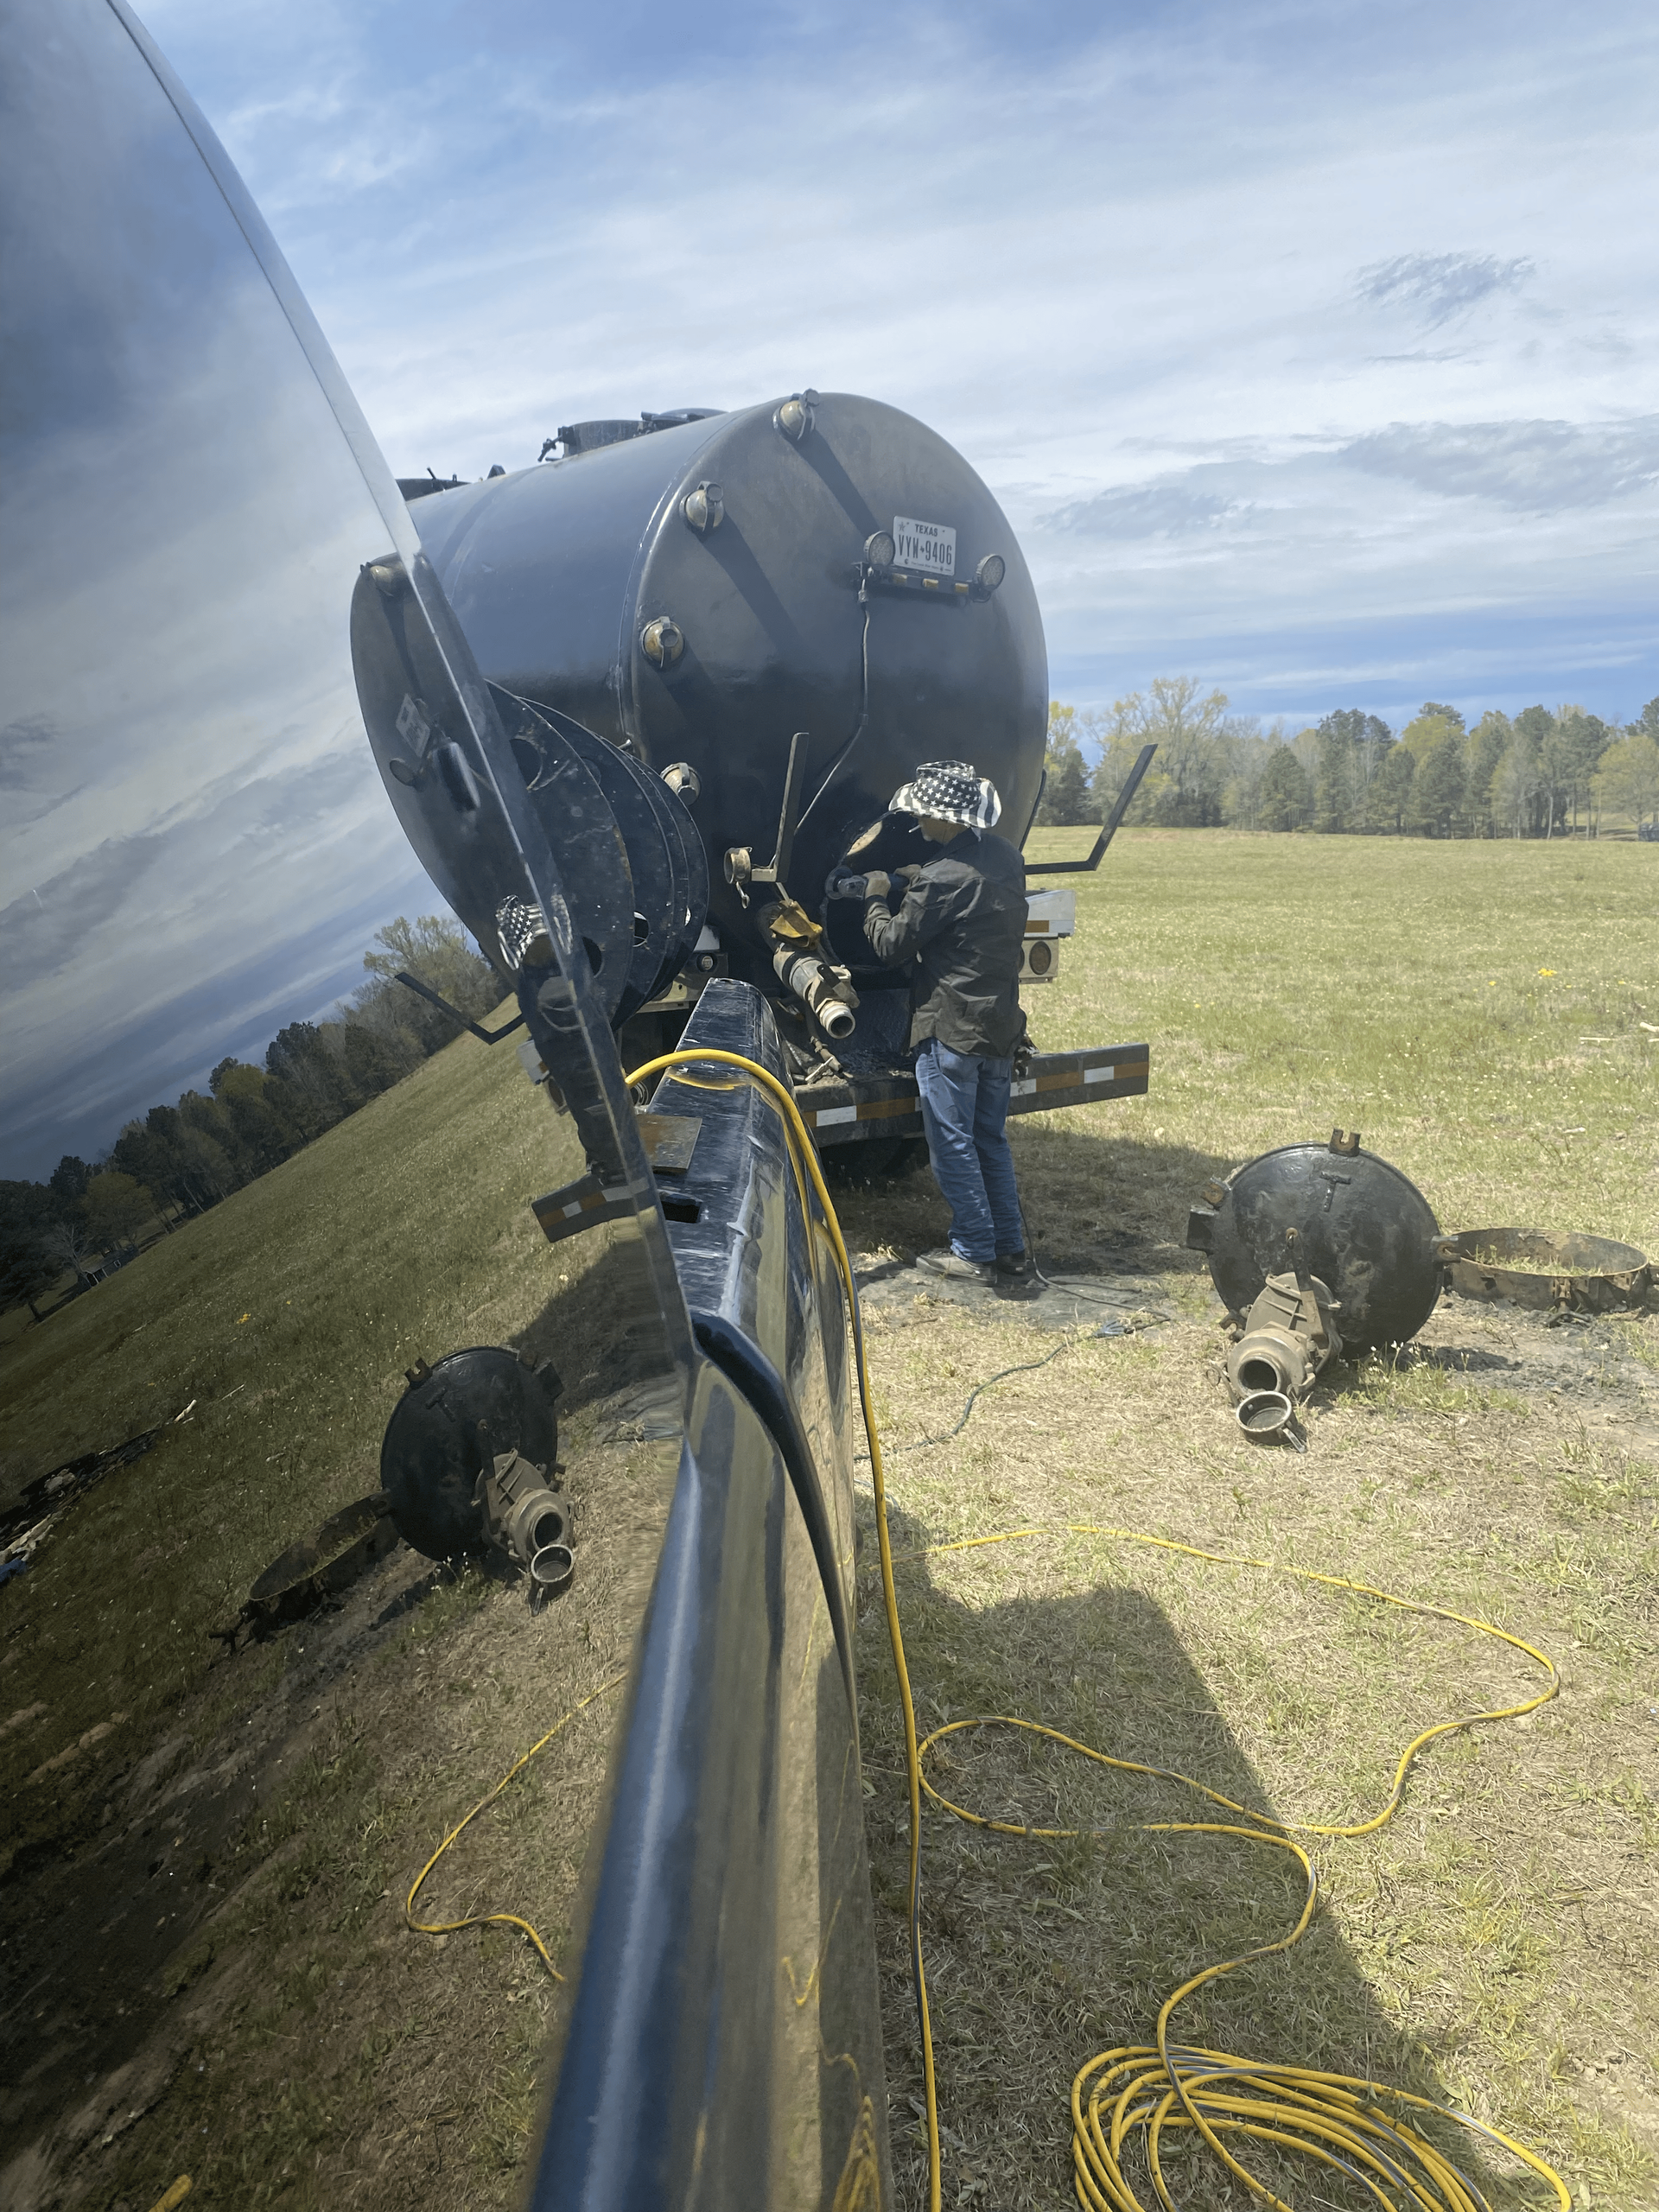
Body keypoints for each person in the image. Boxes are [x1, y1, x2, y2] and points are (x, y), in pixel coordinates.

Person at [834, 759, 1031, 1287]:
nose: (918, 825)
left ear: (950, 819)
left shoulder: (941, 880)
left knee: (951, 1140)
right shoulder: (1005, 858)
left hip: (951, 1029)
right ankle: (1009, 1249)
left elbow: (891, 944)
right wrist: (920, 879)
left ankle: (970, 1250)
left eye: (925, 815)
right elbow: (969, 893)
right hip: (1000, 1024)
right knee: (990, 1138)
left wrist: (877, 896)